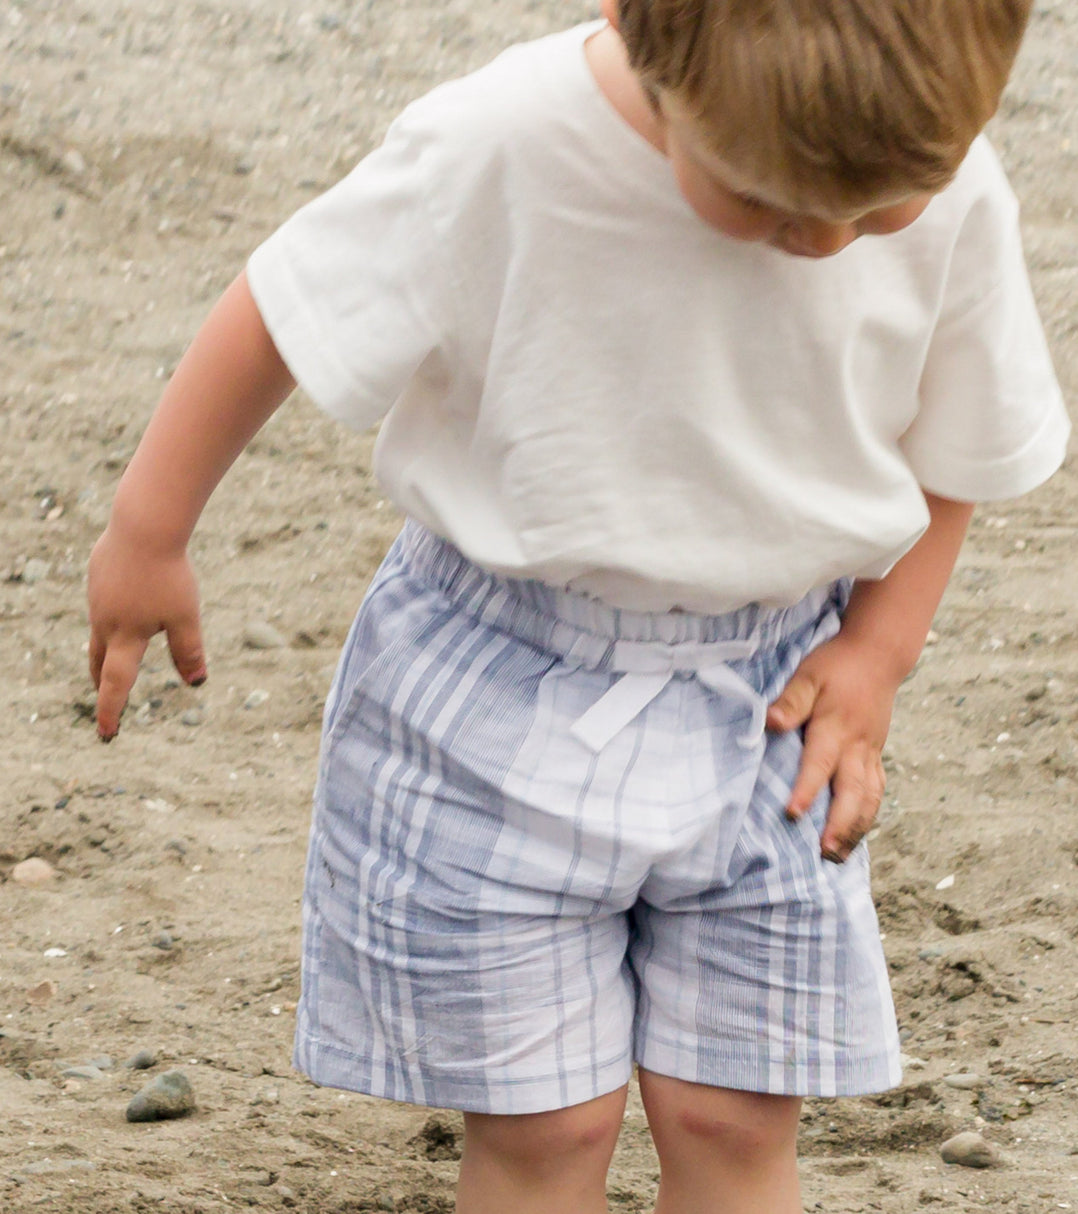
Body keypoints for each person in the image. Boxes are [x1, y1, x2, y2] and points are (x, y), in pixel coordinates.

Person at [87, 1, 1069, 1210]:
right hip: (492, 691)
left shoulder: (940, 168)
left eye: (874, 213)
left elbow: (954, 444)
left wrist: (875, 653)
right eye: (761, 202)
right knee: (545, 1124)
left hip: (773, 698)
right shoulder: (502, 140)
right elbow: (286, 309)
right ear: (639, 33)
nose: (823, 242)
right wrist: (150, 529)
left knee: (737, 1107)